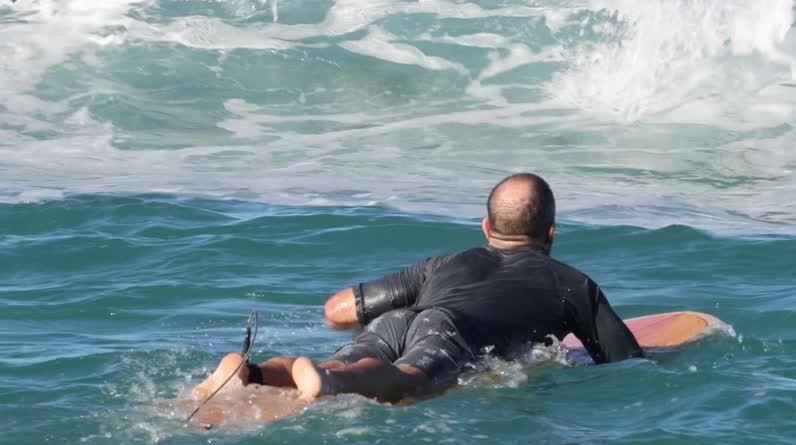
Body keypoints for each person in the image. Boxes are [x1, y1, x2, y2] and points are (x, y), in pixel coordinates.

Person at [192, 173, 644, 405]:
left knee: (341, 360)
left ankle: (251, 373)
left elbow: (338, 311)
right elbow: (626, 362)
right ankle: (329, 379)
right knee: (410, 383)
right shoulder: (572, 284)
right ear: (550, 233)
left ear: (486, 227)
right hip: (450, 333)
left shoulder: (444, 264)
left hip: (400, 320)